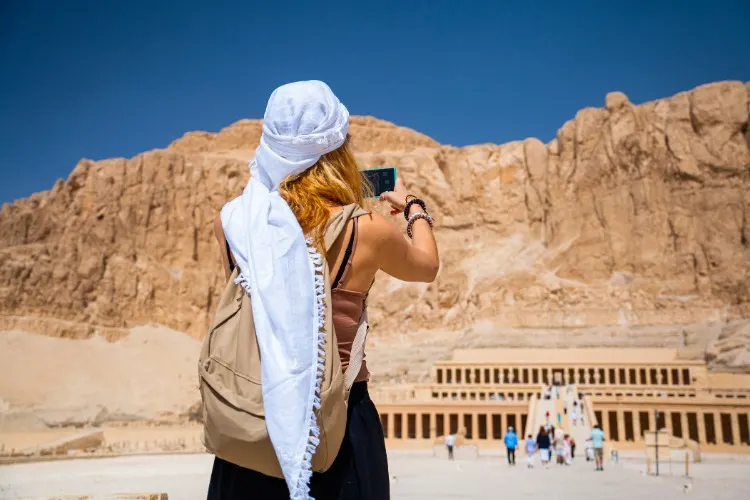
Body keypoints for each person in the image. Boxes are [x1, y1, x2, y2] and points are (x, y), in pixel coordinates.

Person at [208, 81, 439, 499]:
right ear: (337, 149)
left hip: (254, 426)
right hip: (340, 430)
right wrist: (413, 207)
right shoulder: (365, 229)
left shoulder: (234, 224)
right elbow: (427, 266)